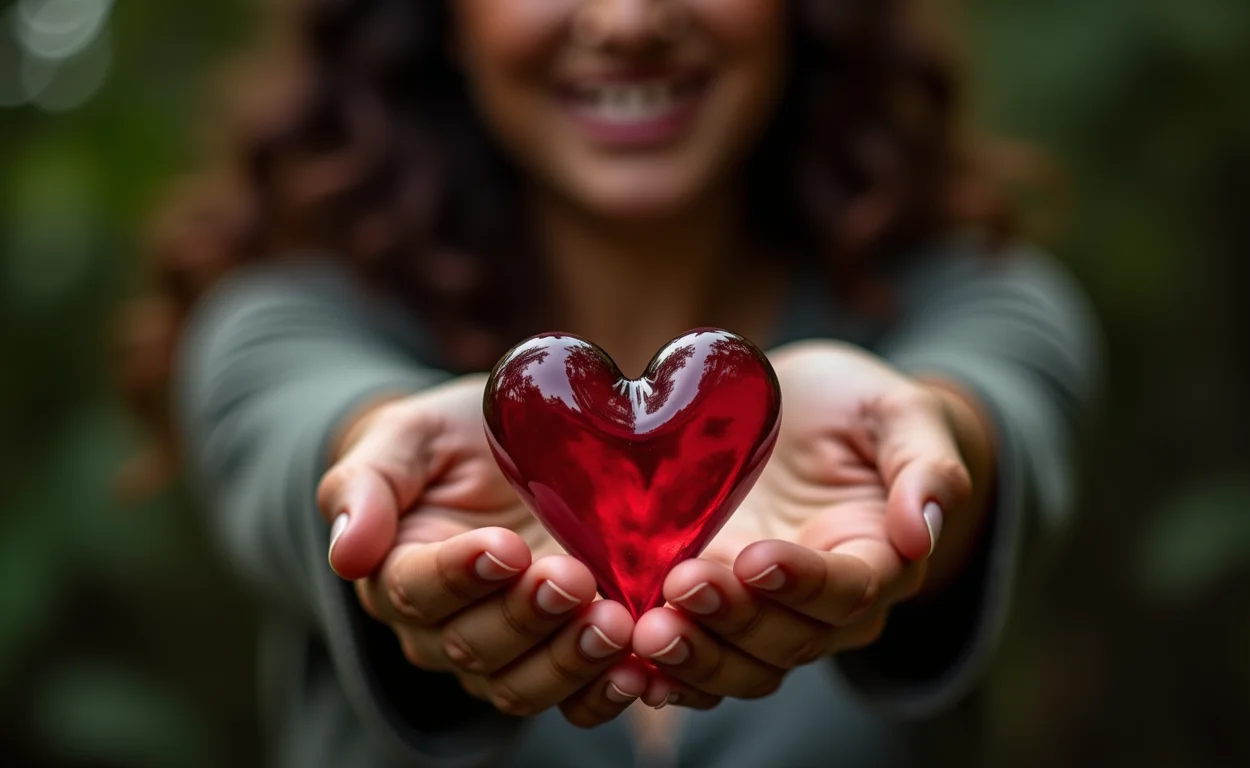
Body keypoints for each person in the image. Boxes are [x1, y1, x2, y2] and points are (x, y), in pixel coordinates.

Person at [135, 1, 1103, 766]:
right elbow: (289, 425)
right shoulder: (285, 318)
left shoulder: (975, 293)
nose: (627, 20)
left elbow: (996, 413)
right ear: (441, 16)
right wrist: (383, 456)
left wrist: (926, 461)